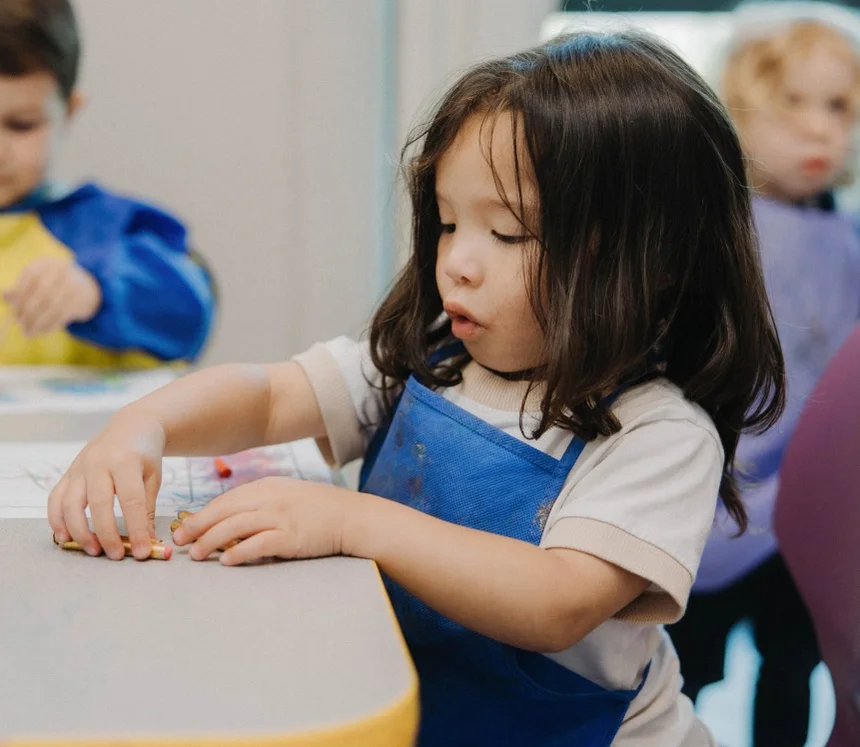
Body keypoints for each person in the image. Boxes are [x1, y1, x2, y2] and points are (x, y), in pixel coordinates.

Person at [47, 31, 785, 747]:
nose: (458, 261)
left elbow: (556, 599)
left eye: (510, 234)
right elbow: (271, 396)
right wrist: (143, 426)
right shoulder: (435, 359)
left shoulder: (658, 434)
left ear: (652, 262)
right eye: (450, 221)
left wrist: (349, 519)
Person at [668, 17, 860, 747]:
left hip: (813, 506)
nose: (818, 130)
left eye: (838, 107)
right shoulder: (719, 230)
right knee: (686, 667)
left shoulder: (845, 237)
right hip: (719, 495)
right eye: (792, 103)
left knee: (795, 662)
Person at [0, 0, 215, 366]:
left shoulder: (105, 227)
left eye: (21, 125)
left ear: (68, 112)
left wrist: (97, 289)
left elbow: (189, 310)